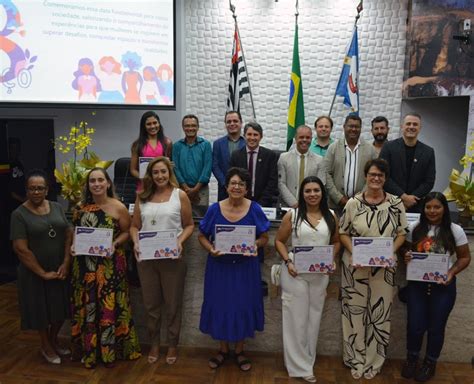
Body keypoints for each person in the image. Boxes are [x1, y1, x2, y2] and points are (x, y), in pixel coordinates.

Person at [339, 158, 408, 380]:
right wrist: (356, 253)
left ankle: (374, 361)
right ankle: (355, 359)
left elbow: (401, 233)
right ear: (366, 176)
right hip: (355, 266)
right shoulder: (353, 203)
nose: (376, 178)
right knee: (353, 312)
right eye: (372, 174)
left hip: (384, 268)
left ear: (385, 178)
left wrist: (390, 253)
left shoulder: (396, 203)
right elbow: (343, 233)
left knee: (380, 314)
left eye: (380, 175)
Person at [198, 167, 270, 371]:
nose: (236, 187)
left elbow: (265, 237)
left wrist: (255, 245)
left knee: (242, 306)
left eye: (241, 184)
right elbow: (201, 235)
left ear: (246, 189)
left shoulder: (255, 208)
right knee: (220, 305)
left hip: (245, 269)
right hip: (219, 268)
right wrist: (210, 249)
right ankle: (222, 349)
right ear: (226, 186)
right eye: (233, 183)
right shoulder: (214, 209)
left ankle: (239, 350)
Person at [70, 167, 141, 368]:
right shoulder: (79, 207)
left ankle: (111, 352)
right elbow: (76, 232)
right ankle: (90, 350)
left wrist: (114, 244)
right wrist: (74, 245)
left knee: (111, 306)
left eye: (101, 180)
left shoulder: (119, 207)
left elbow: (127, 232)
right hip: (85, 266)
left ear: (108, 183)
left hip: (110, 264)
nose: (97, 184)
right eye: (92, 181)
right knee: (89, 306)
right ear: (88, 185)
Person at [274, 176, 340, 383]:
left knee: (314, 319)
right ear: (302, 194)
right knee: (295, 320)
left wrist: (332, 259)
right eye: (308, 191)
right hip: (295, 273)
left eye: (316, 190)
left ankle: (307, 361)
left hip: (320, 275)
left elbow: (336, 242)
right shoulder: (292, 215)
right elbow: (279, 241)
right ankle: (298, 367)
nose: (312, 194)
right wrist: (287, 262)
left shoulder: (331, 215)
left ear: (322, 193)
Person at [130, 157, 194, 365]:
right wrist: (136, 242)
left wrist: (179, 241)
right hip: (147, 259)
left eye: (163, 172)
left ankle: (172, 344)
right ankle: (155, 344)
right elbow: (134, 226)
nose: (160, 176)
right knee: (151, 305)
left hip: (172, 258)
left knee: (172, 304)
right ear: (150, 174)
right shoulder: (142, 197)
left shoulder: (180, 195)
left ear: (169, 173)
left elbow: (189, 225)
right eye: (156, 172)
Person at [401, 192, 471, 382]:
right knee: (415, 326)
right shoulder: (415, 228)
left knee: (436, 327)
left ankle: (430, 363)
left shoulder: (455, 230)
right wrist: (406, 256)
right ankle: (411, 359)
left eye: (436, 207)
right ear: (423, 209)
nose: (432, 211)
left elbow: (465, 257)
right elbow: (405, 250)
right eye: (428, 207)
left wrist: (451, 272)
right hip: (417, 286)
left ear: (444, 209)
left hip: (443, 286)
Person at [10, 169, 72, 365]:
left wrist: (65, 263)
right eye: (32, 189)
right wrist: (42, 273)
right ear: (27, 191)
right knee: (40, 312)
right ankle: (45, 345)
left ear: (46, 190)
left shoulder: (57, 207)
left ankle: (53, 340)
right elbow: (21, 249)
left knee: (60, 308)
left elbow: (68, 234)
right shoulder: (18, 214)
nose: (36, 192)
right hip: (34, 273)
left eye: (40, 188)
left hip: (59, 269)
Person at [379, 112, 435, 213]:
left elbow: (429, 181)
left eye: (415, 124)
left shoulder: (428, 152)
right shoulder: (388, 147)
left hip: (416, 205)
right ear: (402, 126)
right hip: (390, 204)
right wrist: (403, 197)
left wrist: (411, 199)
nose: (411, 127)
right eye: (408, 124)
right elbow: (383, 176)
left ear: (420, 127)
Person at [324, 115, 378, 212]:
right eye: (350, 126)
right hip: (336, 206)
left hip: (362, 206)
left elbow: (374, 176)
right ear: (344, 127)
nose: (353, 129)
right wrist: (338, 198)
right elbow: (326, 173)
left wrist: (360, 198)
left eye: (356, 127)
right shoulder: (333, 148)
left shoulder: (371, 150)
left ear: (360, 128)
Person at [229, 121, 279, 207]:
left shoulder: (270, 156)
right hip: (240, 202)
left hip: (264, 204)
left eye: (255, 135)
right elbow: (232, 180)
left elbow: (272, 182)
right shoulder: (236, 155)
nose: (252, 138)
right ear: (244, 136)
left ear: (261, 137)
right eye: (249, 134)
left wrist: (261, 204)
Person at [278, 125, 325, 208]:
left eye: (307, 137)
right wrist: (294, 203)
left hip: (311, 206)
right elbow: (281, 184)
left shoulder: (319, 160)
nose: (304, 140)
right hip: (288, 206)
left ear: (311, 139)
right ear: (295, 138)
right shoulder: (283, 158)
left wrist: (309, 203)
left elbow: (320, 185)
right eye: (301, 137)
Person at [172, 114, 212, 211]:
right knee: (181, 219)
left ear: (198, 127)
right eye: (187, 126)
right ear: (183, 127)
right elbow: (175, 168)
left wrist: (195, 189)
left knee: (200, 220)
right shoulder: (177, 146)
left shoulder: (206, 145)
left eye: (193, 125)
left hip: (201, 190)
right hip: (181, 189)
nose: (190, 128)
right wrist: (185, 187)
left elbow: (207, 168)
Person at [130, 111, 173, 190]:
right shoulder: (137, 145)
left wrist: (171, 165)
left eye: (155, 123)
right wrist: (144, 178)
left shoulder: (167, 142)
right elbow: (133, 170)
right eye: (148, 124)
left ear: (159, 123)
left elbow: (169, 167)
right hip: (144, 186)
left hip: (162, 186)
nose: (152, 126)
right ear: (144, 126)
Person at [212, 111, 246, 201]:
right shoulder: (217, 144)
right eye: (229, 122)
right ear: (225, 124)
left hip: (243, 190)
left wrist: (240, 184)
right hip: (224, 190)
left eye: (235, 121)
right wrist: (226, 184)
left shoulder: (247, 143)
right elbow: (215, 166)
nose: (232, 124)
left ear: (241, 123)